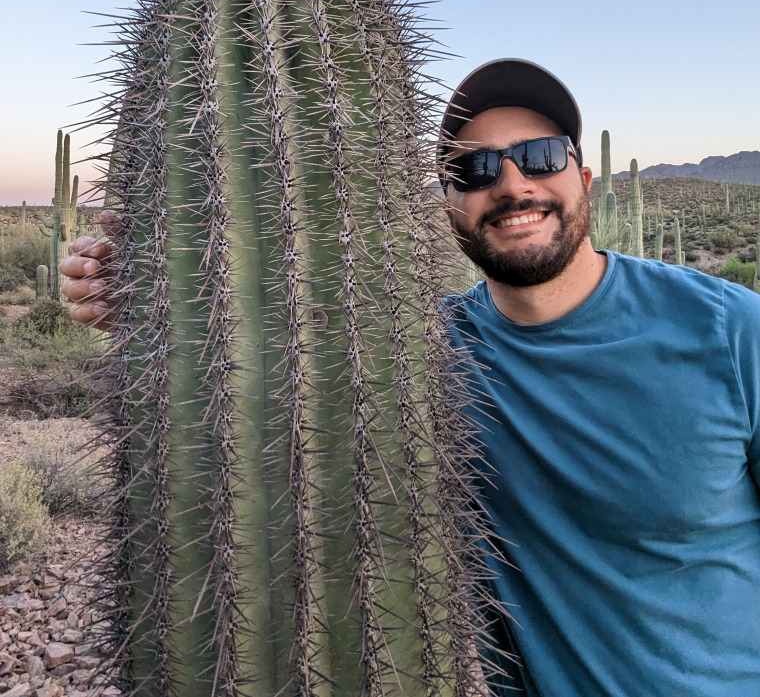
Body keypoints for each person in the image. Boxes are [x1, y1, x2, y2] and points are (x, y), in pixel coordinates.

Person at [61, 59, 760, 697]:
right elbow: (278, 348)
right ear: (448, 205)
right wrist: (151, 295)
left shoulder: (729, 330)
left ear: (583, 178)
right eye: (475, 170)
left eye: (540, 157)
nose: (511, 183)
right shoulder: (421, 351)